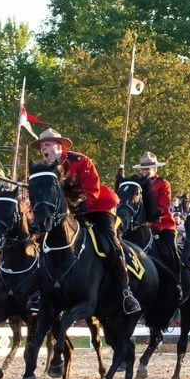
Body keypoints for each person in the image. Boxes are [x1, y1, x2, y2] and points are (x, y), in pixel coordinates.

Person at [33, 128, 140, 314]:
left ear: (59, 147)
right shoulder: (42, 171)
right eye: (42, 146)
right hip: (63, 216)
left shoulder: (80, 160)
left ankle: (126, 291)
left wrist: (79, 208)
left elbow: (92, 188)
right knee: (37, 243)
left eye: (47, 145)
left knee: (110, 243)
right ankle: (39, 291)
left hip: (95, 207)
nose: (43, 149)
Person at [132, 152, 181, 286]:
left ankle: (176, 282)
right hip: (139, 225)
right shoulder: (136, 184)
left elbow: (163, 207)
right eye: (143, 169)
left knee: (172, 252)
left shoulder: (163, 183)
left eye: (148, 169)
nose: (145, 171)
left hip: (162, 225)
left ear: (155, 169)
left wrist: (150, 220)